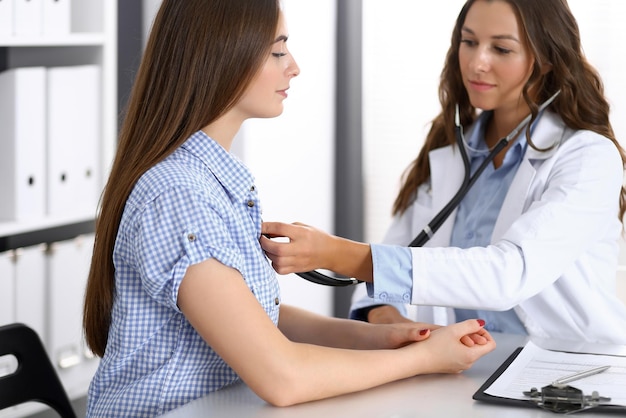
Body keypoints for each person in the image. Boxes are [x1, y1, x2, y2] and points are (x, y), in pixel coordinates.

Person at [82, 1, 495, 416]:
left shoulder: (214, 182)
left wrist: (386, 338)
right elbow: (282, 378)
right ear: (224, 56)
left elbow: (259, 319)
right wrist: (423, 360)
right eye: (278, 51)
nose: (293, 67)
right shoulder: (179, 195)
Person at [261, 0, 626, 345]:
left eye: (501, 49)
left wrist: (335, 253)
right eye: (469, 42)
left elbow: (509, 274)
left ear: (546, 60)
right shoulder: (452, 157)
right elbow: (387, 268)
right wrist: (401, 327)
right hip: (467, 372)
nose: (476, 63)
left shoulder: (587, 159)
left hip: (568, 377)